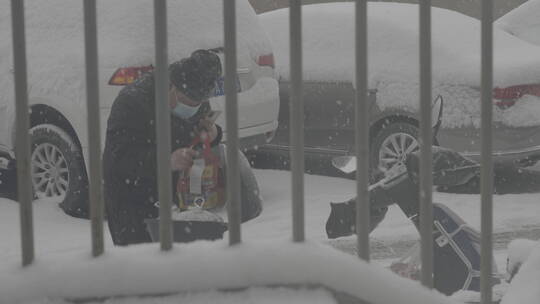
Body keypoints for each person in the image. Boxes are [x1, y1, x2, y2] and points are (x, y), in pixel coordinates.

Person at [103, 49, 260, 246]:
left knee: (177, 264)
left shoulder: (195, 92)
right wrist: (167, 161)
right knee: (140, 264)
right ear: (171, 86)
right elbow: (120, 158)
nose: (191, 109)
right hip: (131, 197)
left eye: (198, 104)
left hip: (175, 196)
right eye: (186, 102)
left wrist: (212, 135)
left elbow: (195, 134)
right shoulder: (132, 102)